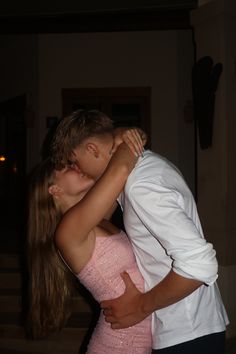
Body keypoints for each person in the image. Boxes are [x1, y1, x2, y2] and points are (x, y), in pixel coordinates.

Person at [50, 109, 229, 354]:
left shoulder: (141, 184)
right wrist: (126, 136)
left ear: (92, 149)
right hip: (180, 324)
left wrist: (141, 306)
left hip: (185, 329)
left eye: (74, 161)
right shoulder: (140, 171)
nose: (78, 169)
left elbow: (201, 264)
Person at [27, 131, 152, 353]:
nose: (76, 166)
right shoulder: (68, 231)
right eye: (66, 167)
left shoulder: (98, 219)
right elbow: (120, 168)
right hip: (119, 343)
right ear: (54, 190)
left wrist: (127, 134)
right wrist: (124, 136)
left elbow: (122, 158)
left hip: (135, 336)